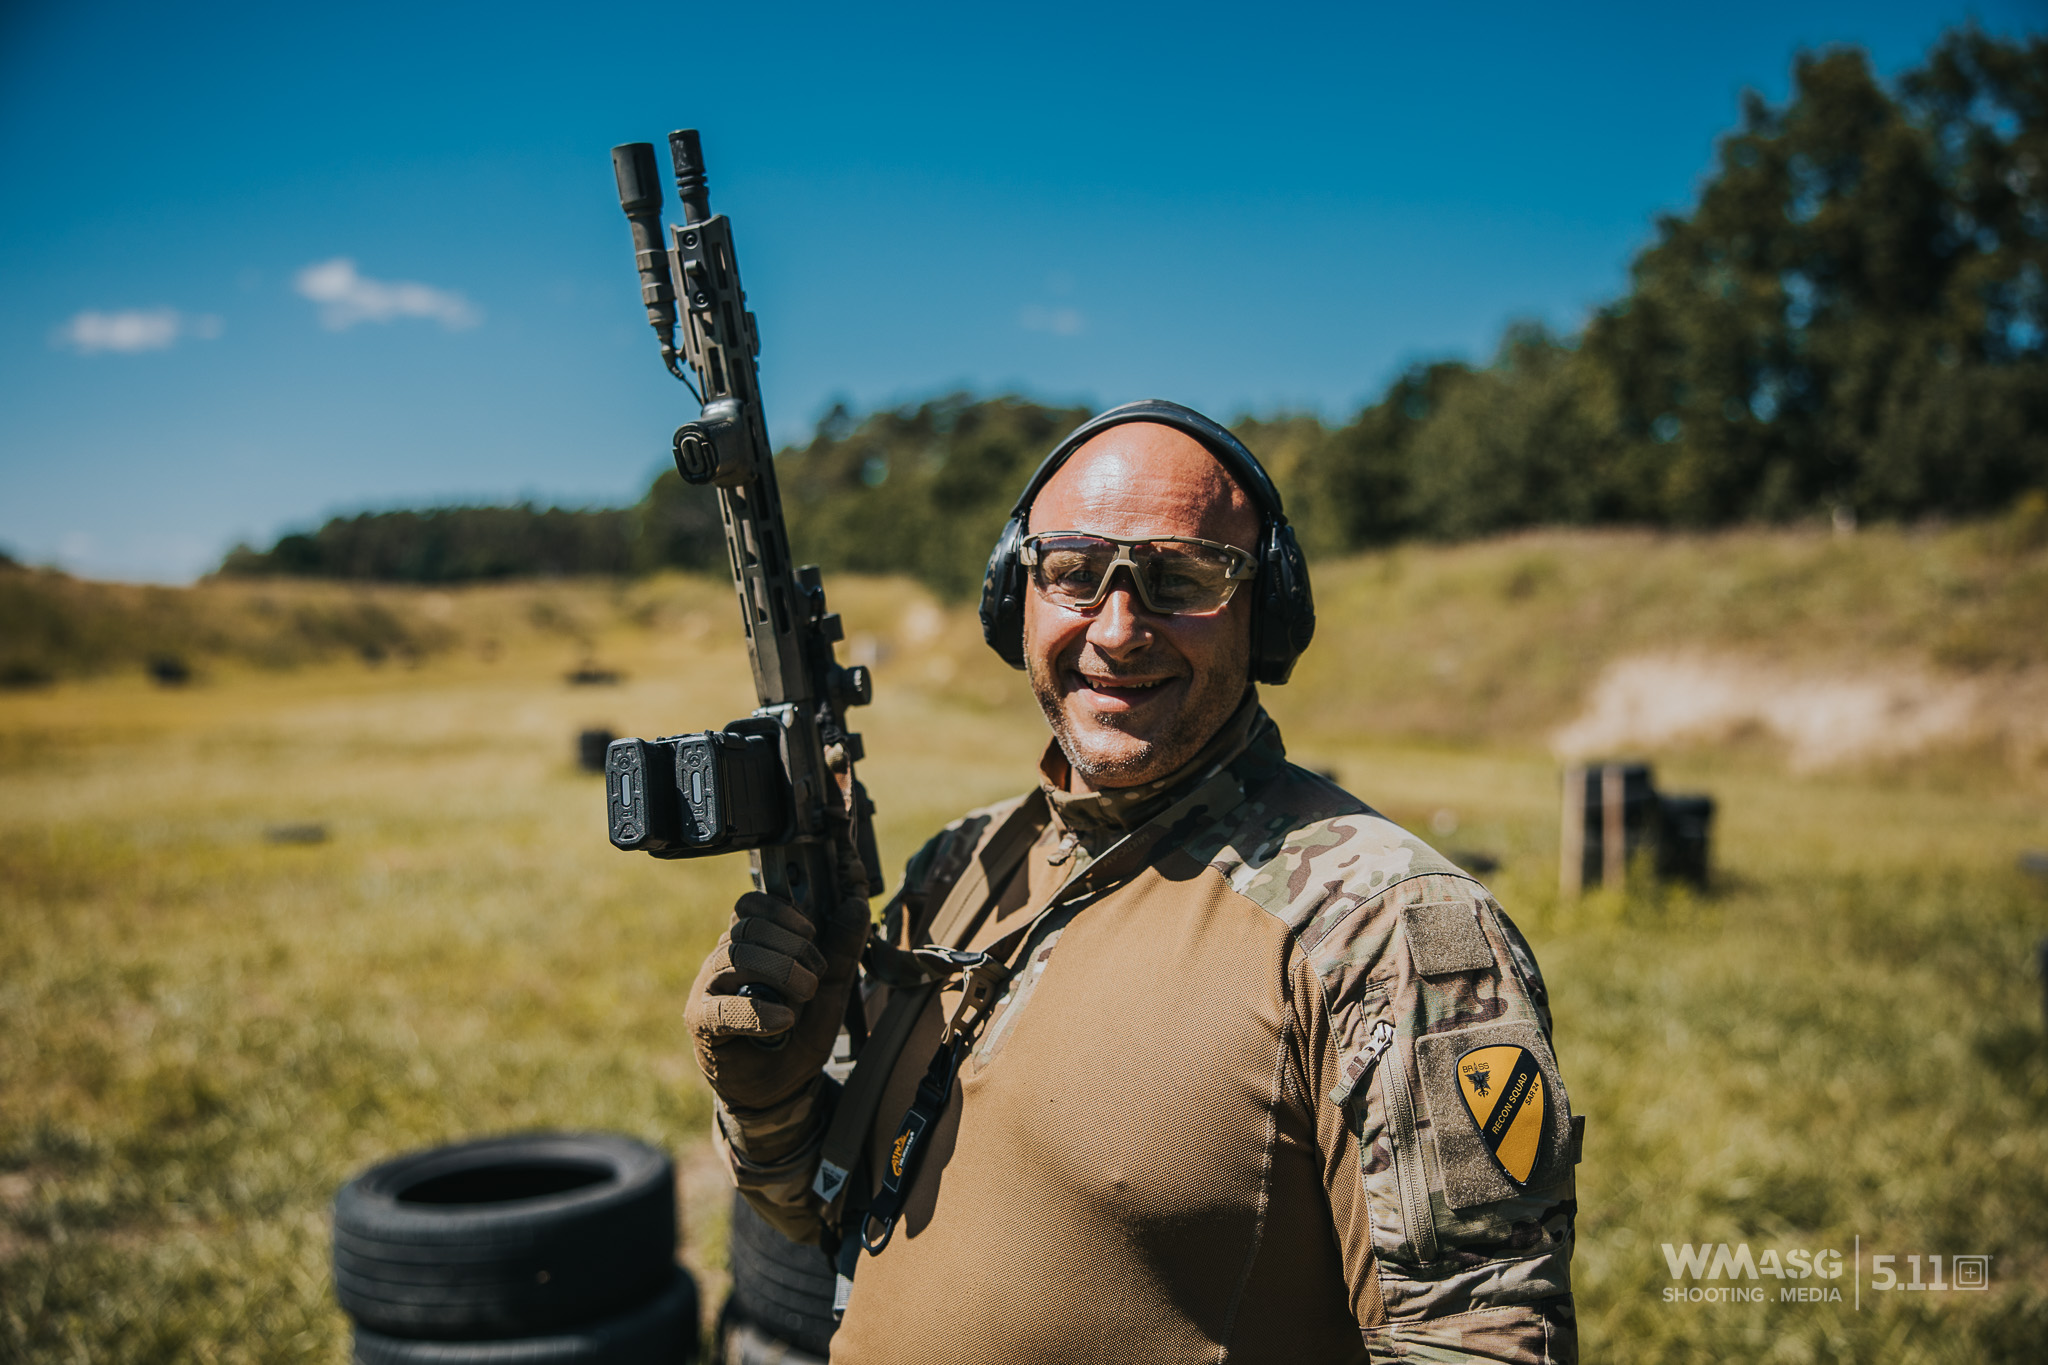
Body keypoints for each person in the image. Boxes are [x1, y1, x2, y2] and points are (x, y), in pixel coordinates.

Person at [686, 400, 1580, 1363]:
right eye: (1072, 572)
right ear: (1014, 595)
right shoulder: (959, 865)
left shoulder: (1381, 923)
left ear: (1267, 611)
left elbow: (1479, 1338)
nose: (1117, 630)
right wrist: (768, 1097)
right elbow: (831, 1211)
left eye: (1181, 578)